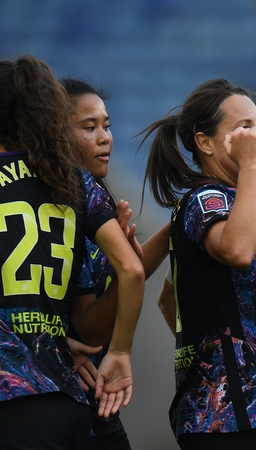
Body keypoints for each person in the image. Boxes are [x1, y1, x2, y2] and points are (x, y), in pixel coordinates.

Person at [0, 55, 145, 449]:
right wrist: (119, 352)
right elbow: (133, 270)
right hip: (68, 399)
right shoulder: (73, 182)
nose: (104, 136)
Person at [141, 78, 256, 449]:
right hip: (229, 415)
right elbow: (238, 252)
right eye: (244, 127)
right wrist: (252, 166)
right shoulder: (208, 198)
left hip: (255, 409)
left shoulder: (236, 205)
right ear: (205, 142)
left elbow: (168, 299)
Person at [61, 77, 172, 450]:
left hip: (91, 400)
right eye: (89, 127)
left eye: (106, 126)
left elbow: (131, 274)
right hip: (73, 396)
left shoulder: (94, 199)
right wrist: (127, 270)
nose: (105, 138)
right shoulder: (67, 203)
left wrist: (173, 228)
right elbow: (90, 331)